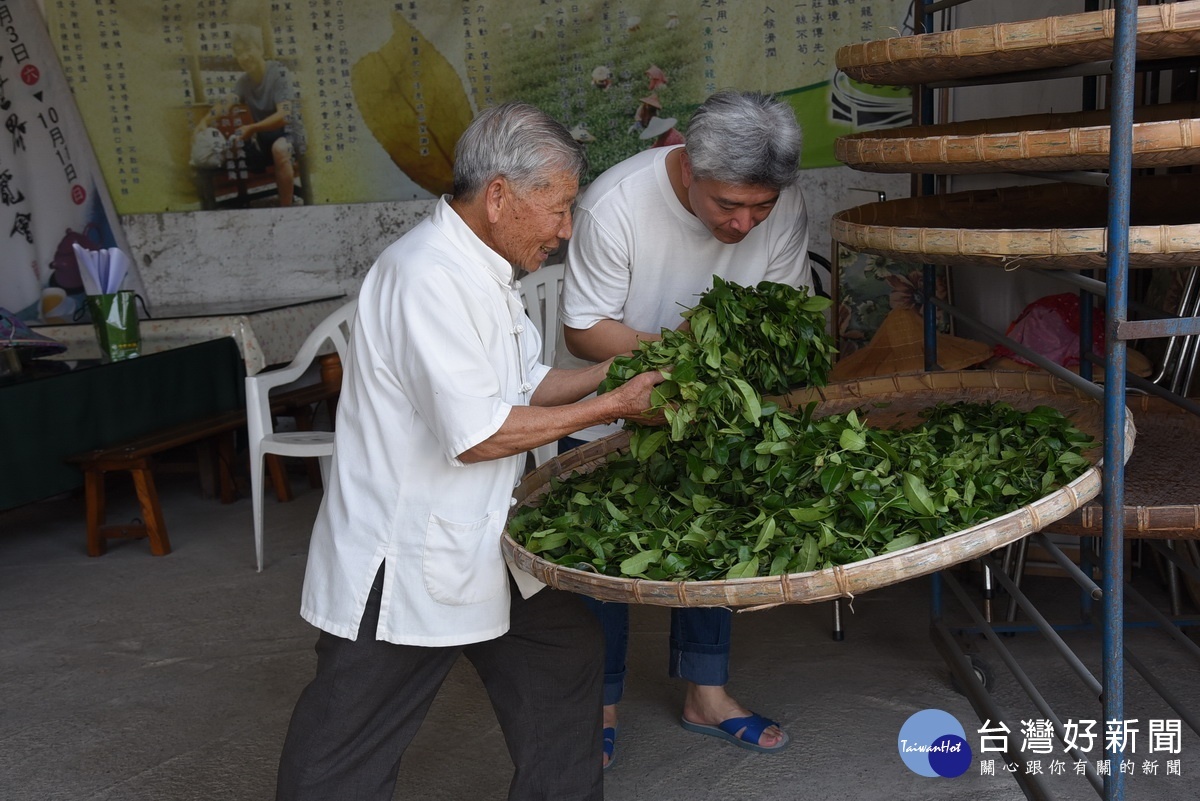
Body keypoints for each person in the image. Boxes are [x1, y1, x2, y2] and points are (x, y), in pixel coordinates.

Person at [275, 102, 666, 801]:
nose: (566, 230)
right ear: (498, 197)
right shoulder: (425, 275)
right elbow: (480, 434)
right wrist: (615, 408)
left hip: (486, 539)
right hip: (408, 557)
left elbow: (527, 383)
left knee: (565, 652)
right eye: (560, 209)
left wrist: (615, 374)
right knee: (345, 745)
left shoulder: (481, 269)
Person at [556, 89, 813, 767]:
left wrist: (726, 381)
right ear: (688, 168)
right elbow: (584, 330)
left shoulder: (778, 206)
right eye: (728, 204)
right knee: (603, 556)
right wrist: (679, 357)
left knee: (713, 541)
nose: (743, 223)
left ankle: (707, 692)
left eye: (759, 208)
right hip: (610, 404)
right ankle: (600, 702)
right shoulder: (618, 204)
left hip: (716, 408)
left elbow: (782, 310)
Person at [196, 26, 305, 207]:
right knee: (228, 146)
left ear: (260, 49)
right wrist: (205, 121)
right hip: (264, 140)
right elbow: (227, 102)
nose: (244, 56)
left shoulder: (279, 73)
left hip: (290, 135)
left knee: (279, 149)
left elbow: (285, 115)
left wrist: (252, 128)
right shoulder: (244, 81)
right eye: (239, 52)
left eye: (248, 49)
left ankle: (286, 209)